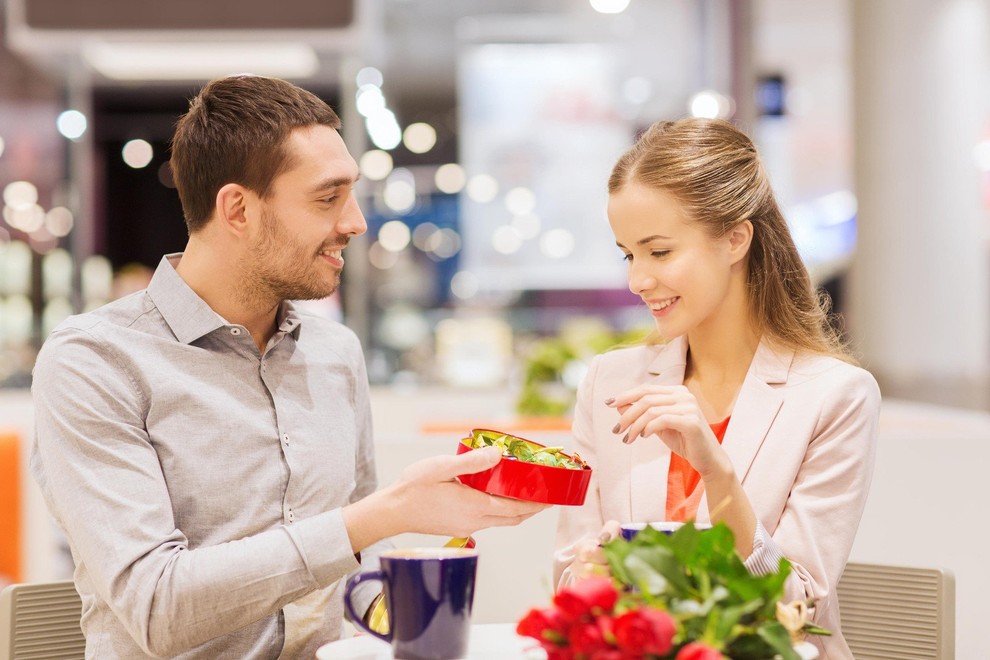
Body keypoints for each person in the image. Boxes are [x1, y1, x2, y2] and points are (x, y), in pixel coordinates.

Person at [30, 75, 546, 659]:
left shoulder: (335, 352)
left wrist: (419, 584)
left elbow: (364, 558)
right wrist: (374, 519)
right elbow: (156, 607)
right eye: (328, 198)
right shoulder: (96, 361)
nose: (355, 222)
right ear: (238, 209)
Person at [554, 118, 880, 659]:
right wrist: (589, 572)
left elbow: (794, 606)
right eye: (628, 255)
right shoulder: (609, 383)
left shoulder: (835, 396)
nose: (637, 280)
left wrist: (715, 467)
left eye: (659, 252)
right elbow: (570, 580)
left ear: (735, 238)